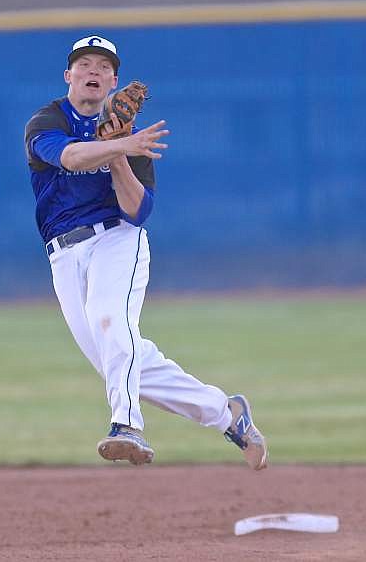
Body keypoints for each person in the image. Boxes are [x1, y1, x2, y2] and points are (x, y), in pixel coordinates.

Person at [24, 35, 268, 470]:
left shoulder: (132, 140)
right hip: (63, 253)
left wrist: (121, 154)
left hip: (116, 238)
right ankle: (227, 413)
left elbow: (138, 211)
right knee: (122, 357)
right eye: (84, 65)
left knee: (110, 320)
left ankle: (126, 426)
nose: (93, 72)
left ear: (114, 81)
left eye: (103, 66)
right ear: (68, 76)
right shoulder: (47, 121)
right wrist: (120, 146)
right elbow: (72, 157)